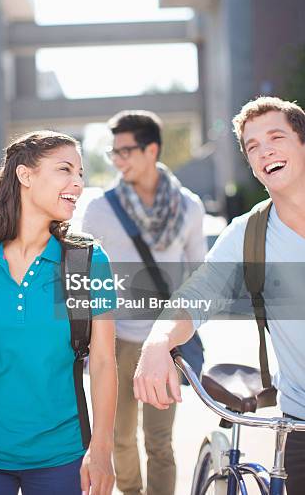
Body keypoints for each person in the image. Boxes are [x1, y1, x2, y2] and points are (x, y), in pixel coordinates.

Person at [0, 130, 117, 495]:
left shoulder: (88, 262)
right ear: (25, 175)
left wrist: (102, 449)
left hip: (63, 456)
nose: (77, 183)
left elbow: (105, 362)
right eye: (65, 170)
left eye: (80, 174)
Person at [134, 96, 305, 495]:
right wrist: (158, 341)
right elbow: (196, 296)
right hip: (299, 423)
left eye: (276, 137)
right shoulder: (250, 233)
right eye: (253, 146)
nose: (265, 151)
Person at [82, 111, 207, 495]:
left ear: (151, 149)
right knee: (119, 439)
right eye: (114, 151)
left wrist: (181, 331)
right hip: (113, 340)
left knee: (159, 442)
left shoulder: (188, 206)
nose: (117, 160)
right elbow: (80, 276)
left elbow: (200, 278)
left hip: (163, 343)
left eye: (125, 151)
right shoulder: (101, 209)